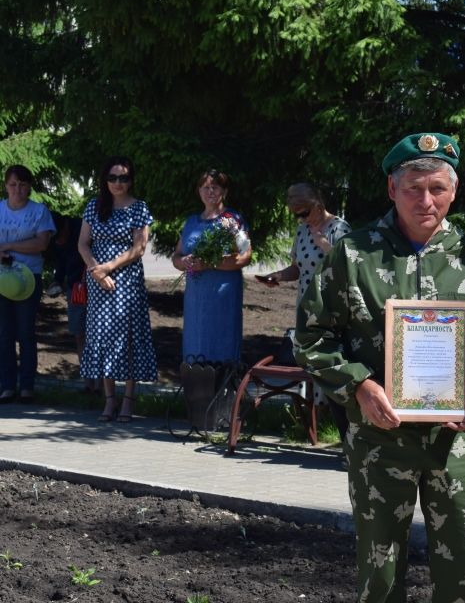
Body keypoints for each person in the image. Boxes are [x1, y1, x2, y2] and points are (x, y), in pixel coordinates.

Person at [294, 133, 465, 603]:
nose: (426, 200)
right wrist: (358, 385)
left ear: (454, 191)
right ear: (391, 189)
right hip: (379, 437)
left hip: (453, 440)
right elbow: (312, 338)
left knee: (464, 566)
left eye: (437, 188)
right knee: (379, 576)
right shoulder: (353, 256)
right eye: (413, 187)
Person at [258, 182, 351, 441]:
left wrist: (326, 247)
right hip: (305, 307)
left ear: (317, 203)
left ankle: (335, 425)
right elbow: (298, 267)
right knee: (308, 358)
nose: (301, 217)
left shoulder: (339, 228)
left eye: (304, 211)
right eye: (296, 213)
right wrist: (277, 276)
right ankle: (312, 423)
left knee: (328, 360)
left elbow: (350, 267)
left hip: (331, 307)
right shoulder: (302, 231)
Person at [78, 156, 158, 422]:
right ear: (105, 180)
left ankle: (128, 401)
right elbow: (83, 244)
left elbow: (139, 248)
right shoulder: (94, 206)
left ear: (130, 180)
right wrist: (96, 271)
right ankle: (109, 400)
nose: (117, 183)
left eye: (123, 177)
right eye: (113, 177)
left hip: (126, 280)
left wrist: (108, 267)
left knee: (128, 338)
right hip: (99, 280)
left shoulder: (139, 208)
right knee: (102, 337)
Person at [171, 169, 252, 364]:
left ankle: (224, 390)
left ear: (224, 191)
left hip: (222, 295)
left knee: (222, 344)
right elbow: (176, 256)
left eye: (215, 187)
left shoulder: (233, 220)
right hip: (196, 299)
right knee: (195, 343)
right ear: (199, 191)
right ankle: (197, 389)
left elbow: (246, 255)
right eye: (205, 187)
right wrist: (183, 262)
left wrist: (209, 263)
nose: (210, 192)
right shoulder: (191, 222)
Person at [0, 165, 55, 403]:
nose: (18, 190)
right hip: (2, 279)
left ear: (29, 187)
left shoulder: (39, 211)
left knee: (25, 332)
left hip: (28, 278)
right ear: (6, 186)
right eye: (13, 185)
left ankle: (27, 387)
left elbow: (41, 244)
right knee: (4, 334)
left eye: (22, 185)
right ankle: (7, 386)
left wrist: (9, 246)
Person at [56, 213, 98, 392]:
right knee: (80, 334)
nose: (57, 241)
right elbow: (60, 260)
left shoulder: (83, 227)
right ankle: (88, 383)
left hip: (96, 285)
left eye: (59, 237)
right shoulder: (55, 234)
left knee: (98, 335)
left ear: (65, 226)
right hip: (76, 289)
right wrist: (57, 280)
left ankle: (100, 385)